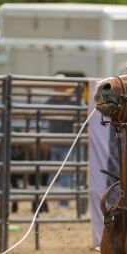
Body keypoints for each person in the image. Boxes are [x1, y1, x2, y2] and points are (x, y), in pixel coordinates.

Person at [46, 76, 78, 208]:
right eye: (58, 86)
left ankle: (63, 202)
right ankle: (48, 201)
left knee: (64, 173)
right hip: (53, 141)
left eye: (61, 86)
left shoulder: (72, 102)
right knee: (53, 172)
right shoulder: (50, 102)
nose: (59, 88)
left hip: (67, 142)